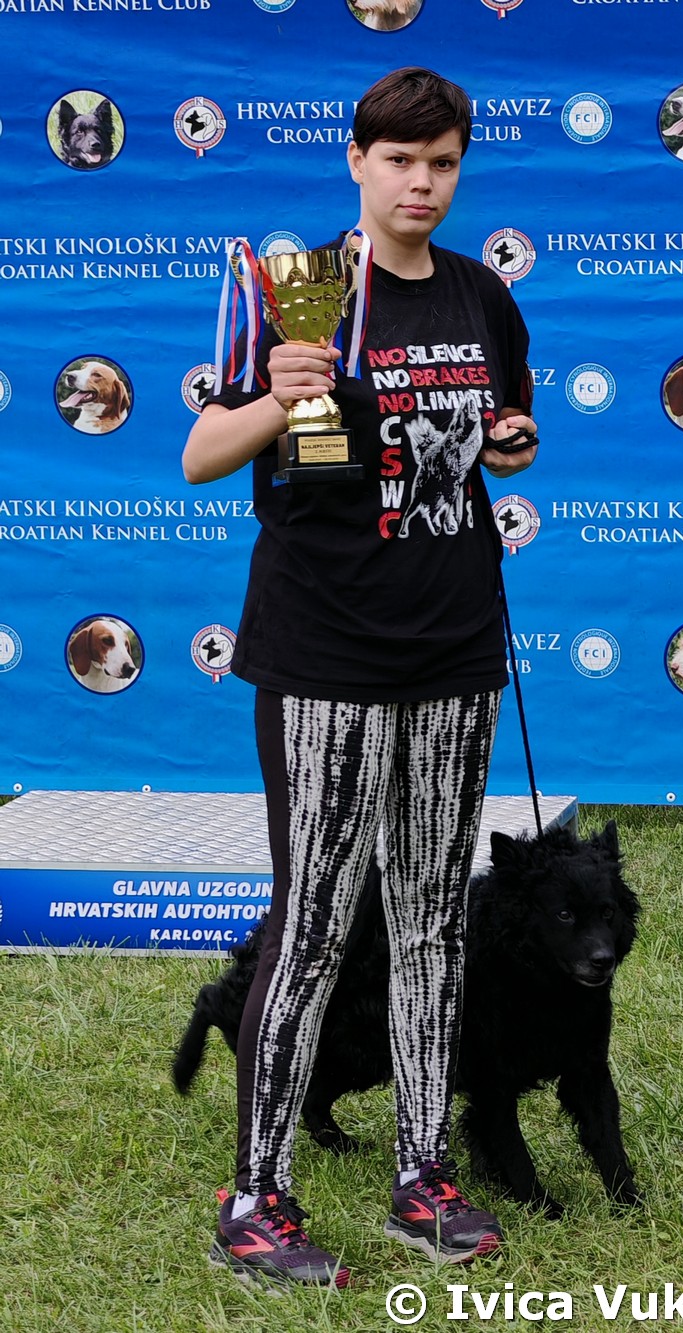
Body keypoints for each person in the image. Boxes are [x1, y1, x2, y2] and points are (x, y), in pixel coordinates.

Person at [182, 65, 538, 1290]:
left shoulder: (485, 296)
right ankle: (255, 1196)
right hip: (324, 655)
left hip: (454, 649)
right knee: (318, 920)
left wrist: (510, 443)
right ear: (356, 161)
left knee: (433, 914)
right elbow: (200, 454)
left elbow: (503, 438)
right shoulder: (297, 290)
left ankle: (423, 1171)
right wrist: (279, 402)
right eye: (399, 160)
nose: (421, 182)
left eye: (442, 162)